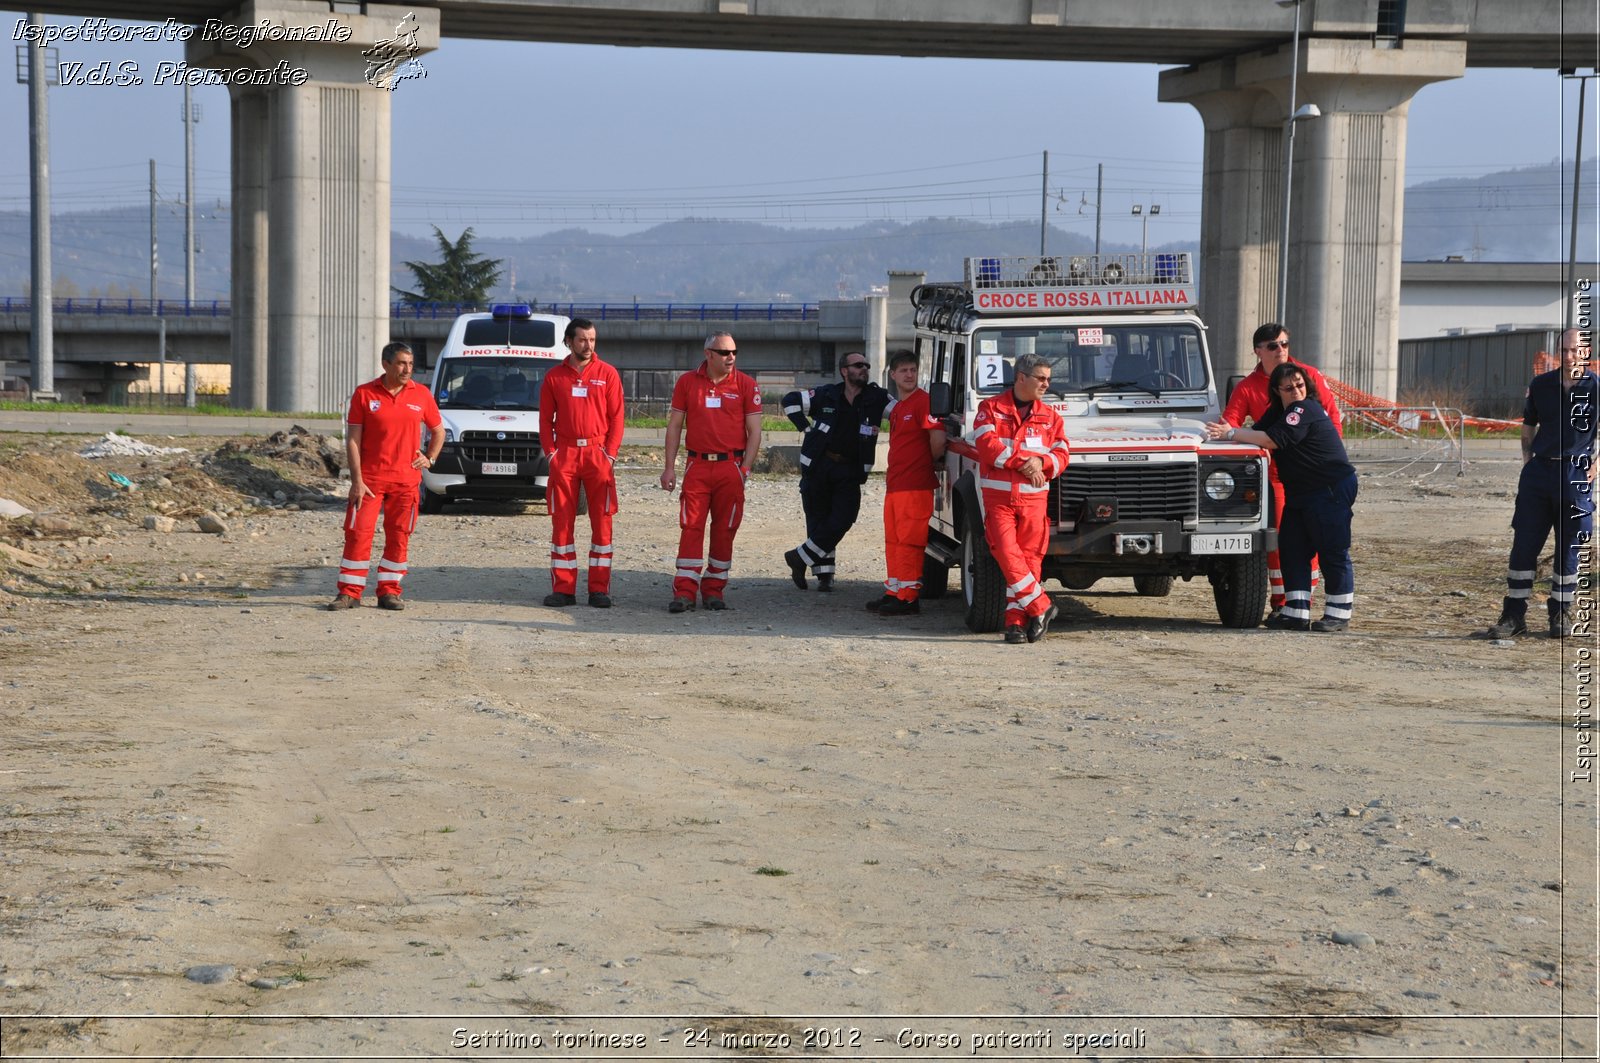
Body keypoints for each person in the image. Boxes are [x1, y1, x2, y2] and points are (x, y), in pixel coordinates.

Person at [1206, 362, 1357, 632]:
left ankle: (1338, 613)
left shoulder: (1304, 408)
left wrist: (1229, 433)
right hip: (1301, 492)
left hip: (1328, 487)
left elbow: (1273, 440)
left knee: (1331, 549)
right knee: (1293, 549)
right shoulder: (1279, 412)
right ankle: (1296, 612)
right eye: (1288, 388)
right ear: (1277, 391)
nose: (1296, 390)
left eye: (1300, 384)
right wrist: (1221, 434)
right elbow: (1254, 434)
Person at [1221, 322, 1342, 618]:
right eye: (1274, 346)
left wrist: (1329, 462)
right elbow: (1230, 424)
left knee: (1320, 538)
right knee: (1280, 539)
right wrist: (1223, 432)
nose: (1281, 350)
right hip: (1275, 476)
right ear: (1258, 351)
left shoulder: (1308, 376)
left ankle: (1306, 602)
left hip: (1314, 474)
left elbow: (1333, 420)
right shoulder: (1248, 387)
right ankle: (1282, 603)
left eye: (1285, 344)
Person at [1487, 328, 1597, 639]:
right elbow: (1528, 426)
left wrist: (1597, 465)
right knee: (1523, 547)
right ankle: (1513, 616)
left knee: (1569, 549)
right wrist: (1527, 463)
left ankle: (1560, 614)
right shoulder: (1541, 385)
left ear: (1585, 352)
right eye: (1563, 349)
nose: (1569, 355)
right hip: (1539, 475)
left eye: (1575, 350)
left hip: (1575, 477)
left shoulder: (1596, 388)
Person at [332, 341, 443, 611]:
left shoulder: (422, 395)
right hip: (370, 481)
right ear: (386, 364)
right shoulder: (364, 394)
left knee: (399, 534)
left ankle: (389, 592)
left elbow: (438, 431)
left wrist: (429, 458)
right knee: (358, 533)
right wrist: (356, 481)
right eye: (401, 363)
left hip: (406, 481)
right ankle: (349, 593)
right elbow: (353, 441)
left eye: (410, 364)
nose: (407, 369)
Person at [971, 352, 1071, 644]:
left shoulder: (1051, 417)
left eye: (1049, 379)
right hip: (999, 499)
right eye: (1040, 378)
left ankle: (1015, 623)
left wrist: (1043, 463)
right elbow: (987, 446)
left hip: (1033, 502)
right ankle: (1041, 605)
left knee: (1028, 562)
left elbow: (1063, 453)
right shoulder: (989, 409)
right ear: (1021, 378)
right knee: (1006, 552)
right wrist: (1024, 462)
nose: (1046, 384)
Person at [660, 332, 764, 612]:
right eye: (724, 352)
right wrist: (669, 468)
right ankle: (684, 591)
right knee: (691, 526)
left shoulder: (746, 384)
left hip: (731, 467)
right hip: (698, 465)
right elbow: (674, 427)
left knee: (725, 528)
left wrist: (745, 469)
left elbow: (755, 431)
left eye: (734, 352)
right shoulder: (687, 382)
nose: (731, 357)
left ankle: (714, 590)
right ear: (708, 354)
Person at [781, 351, 892, 591]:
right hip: (819, 465)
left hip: (850, 468)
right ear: (845, 371)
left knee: (843, 517)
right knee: (819, 519)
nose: (864, 368)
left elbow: (902, 413)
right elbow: (789, 401)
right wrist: (806, 428)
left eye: (866, 365)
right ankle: (824, 576)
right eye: (858, 365)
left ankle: (799, 557)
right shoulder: (826, 395)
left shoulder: (877, 397)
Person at [538, 318, 625, 608]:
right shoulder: (554, 377)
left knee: (602, 523)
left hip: (597, 455)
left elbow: (617, 418)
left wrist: (609, 454)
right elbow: (544, 421)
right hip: (565, 456)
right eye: (582, 340)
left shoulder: (608, 374)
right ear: (569, 341)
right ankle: (563, 589)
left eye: (592, 340)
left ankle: (599, 589)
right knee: (562, 523)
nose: (588, 345)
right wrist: (552, 454)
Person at [867, 349, 947, 616]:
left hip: (914, 486)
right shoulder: (900, 407)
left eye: (913, 370)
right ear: (893, 375)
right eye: (904, 371)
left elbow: (937, 439)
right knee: (894, 541)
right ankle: (895, 591)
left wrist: (929, 462)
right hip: (897, 485)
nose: (909, 375)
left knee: (910, 542)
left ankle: (909, 598)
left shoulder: (924, 402)